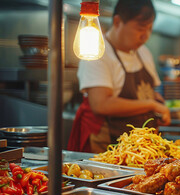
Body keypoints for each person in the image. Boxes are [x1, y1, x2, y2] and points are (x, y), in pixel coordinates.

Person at [68, 0, 170, 153]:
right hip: (109, 148)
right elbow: (101, 104)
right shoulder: (98, 53)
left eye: (149, 29)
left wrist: (158, 104)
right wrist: (151, 105)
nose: (145, 36)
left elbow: (147, 92)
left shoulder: (144, 53)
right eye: (141, 28)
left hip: (144, 149)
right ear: (117, 21)